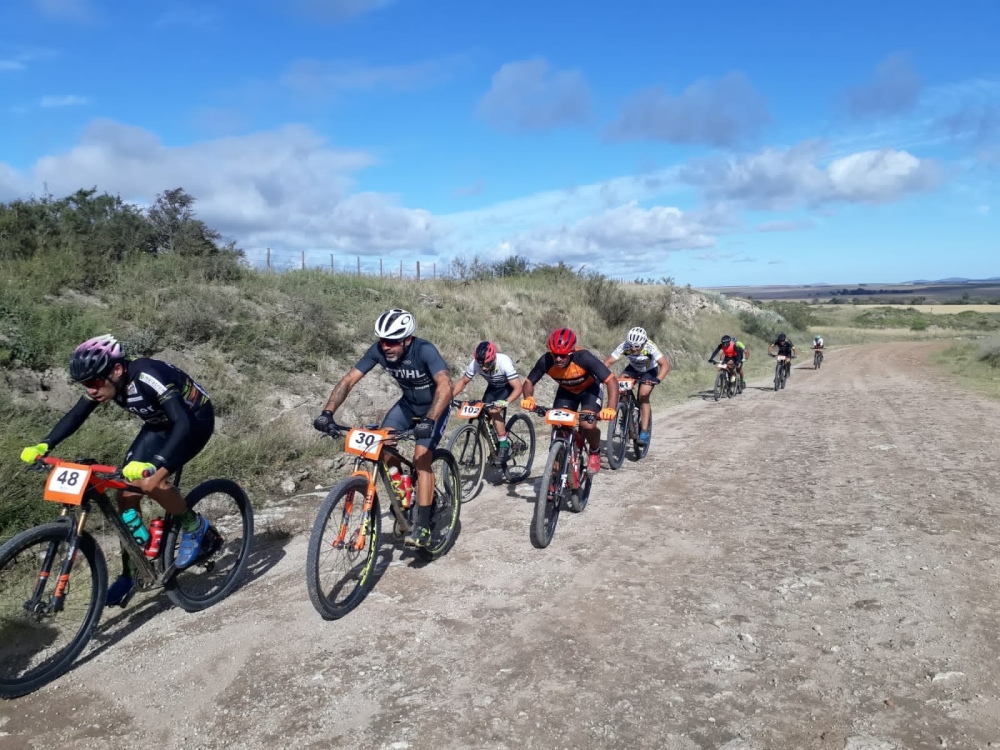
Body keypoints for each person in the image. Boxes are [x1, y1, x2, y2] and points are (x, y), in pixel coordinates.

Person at [19, 335, 216, 607]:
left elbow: (182, 423)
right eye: (85, 384)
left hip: (193, 422)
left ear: (117, 370)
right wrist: (45, 444)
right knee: (125, 496)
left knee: (151, 483)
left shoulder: (148, 376)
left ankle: (195, 526)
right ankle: (132, 572)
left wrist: (154, 464)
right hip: (158, 425)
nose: (91, 390)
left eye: (94, 382)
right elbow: (77, 414)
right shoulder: (107, 383)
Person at [313, 309, 451, 549]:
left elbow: (445, 385)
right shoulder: (378, 350)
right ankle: (405, 494)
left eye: (392, 341)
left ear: (407, 339)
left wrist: (429, 419)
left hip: (435, 407)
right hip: (408, 405)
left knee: (421, 458)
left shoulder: (424, 350)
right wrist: (327, 412)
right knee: (382, 445)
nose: (386, 346)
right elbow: (349, 379)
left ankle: (423, 526)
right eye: (382, 340)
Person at [519, 328, 618, 475]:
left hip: (590, 390)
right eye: (555, 355)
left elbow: (611, 381)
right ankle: (556, 463)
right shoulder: (546, 361)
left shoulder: (584, 358)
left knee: (587, 424)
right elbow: (528, 382)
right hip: (567, 392)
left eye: (563, 355)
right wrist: (528, 398)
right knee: (558, 424)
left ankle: (595, 452)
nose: (558, 359)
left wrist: (610, 408)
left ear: (571, 352)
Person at [451, 341, 523, 461]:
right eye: (481, 364)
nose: (484, 367)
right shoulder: (475, 364)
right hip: (493, 388)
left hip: (507, 387)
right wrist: (449, 397)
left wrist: (505, 402)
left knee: (494, 411)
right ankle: (495, 446)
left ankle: (504, 444)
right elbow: (463, 382)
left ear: (493, 358)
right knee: (482, 416)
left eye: (487, 364)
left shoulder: (504, 362)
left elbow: (518, 387)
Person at [603, 326, 669, 446]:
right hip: (633, 369)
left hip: (649, 371)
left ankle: (644, 431)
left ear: (643, 343)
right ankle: (624, 414)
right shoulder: (624, 346)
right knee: (620, 387)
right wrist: (599, 374)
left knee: (643, 396)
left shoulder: (650, 346)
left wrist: (658, 379)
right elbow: (608, 362)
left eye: (637, 346)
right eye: (631, 346)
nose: (633, 349)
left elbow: (665, 365)